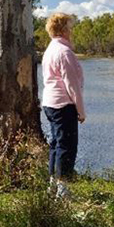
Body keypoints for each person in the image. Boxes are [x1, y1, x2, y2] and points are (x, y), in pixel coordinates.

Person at [41, 12, 85, 199]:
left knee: (56, 144)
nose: (72, 30)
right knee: (67, 146)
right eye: (70, 27)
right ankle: (63, 189)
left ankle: (53, 185)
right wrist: (81, 111)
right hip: (63, 104)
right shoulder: (64, 52)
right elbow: (72, 84)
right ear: (63, 30)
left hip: (50, 104)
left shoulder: (51, 49)